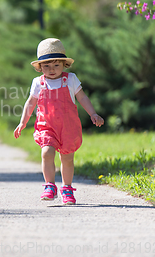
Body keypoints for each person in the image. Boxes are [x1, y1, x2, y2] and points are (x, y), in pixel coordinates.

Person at [13, 38, 104, 205]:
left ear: (64, 64)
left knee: (67, 158)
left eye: (56, 65)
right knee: (46, 152)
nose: (52, 69)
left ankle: (67, 188)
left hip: (68, 127)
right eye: (46, 66)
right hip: (47, 126)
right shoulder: (38, 83)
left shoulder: (70, 79)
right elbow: (31, 103)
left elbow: (82, 97)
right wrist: (22, 122)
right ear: (40, 67)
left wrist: (93, 113)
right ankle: (49, 185)